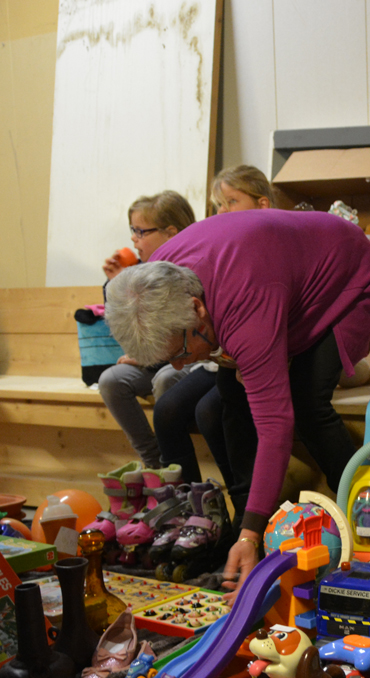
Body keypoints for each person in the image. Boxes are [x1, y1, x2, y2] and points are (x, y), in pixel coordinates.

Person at [105, 210, 370, 589]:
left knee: (306, 403)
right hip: (274, 273)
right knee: (229, 396)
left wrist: (253, 535)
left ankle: (366, 516)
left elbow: (275, 425)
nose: (179, 365)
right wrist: (247, 530)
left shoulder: (243, 306)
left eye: (182, 352)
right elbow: (209, 356)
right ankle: (240, 528)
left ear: (198, 311)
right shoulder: (155, 279)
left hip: (346, 277)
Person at [149, 166, 276, 484]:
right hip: (217, 357)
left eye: (231, 201)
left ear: (262, 205)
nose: (222, 212)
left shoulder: (268, 243)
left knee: (210, 411)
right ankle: (189, 508)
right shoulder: (214, 245)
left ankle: (238, 502)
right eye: (218, 205)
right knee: (166, 410)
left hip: (253, 356)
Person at [96, 191, 198, 469]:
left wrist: (149, 357)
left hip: (189, 359)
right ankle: (155, 464)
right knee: (111, 380)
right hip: (153, 359)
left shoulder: (187, 268)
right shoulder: (141, 270)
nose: (133, 239)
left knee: (165, 378)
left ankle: (177, 465)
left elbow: (192, 338)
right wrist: (118, 288)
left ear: (171, 233)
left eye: (141, 231)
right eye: (133, 230)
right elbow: (126, 332)